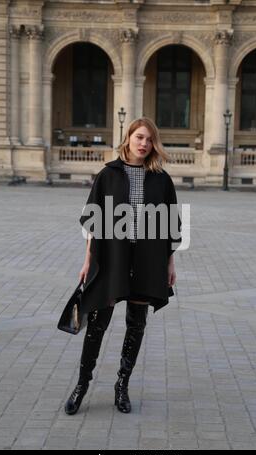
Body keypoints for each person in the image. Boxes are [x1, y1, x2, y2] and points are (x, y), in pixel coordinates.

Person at [64, 117, 182, 415]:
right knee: (97, 325)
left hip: (148, 260)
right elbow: (93, 221)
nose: (144, 143)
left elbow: (169, 227)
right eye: (139, 137)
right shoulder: (109, 175)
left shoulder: (161, 179)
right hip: (112, 257)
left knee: (136, 324)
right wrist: (88, 260)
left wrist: (170, 263)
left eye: (149, 139)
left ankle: (122, 386)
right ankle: (81, 385)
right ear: (128, 137)